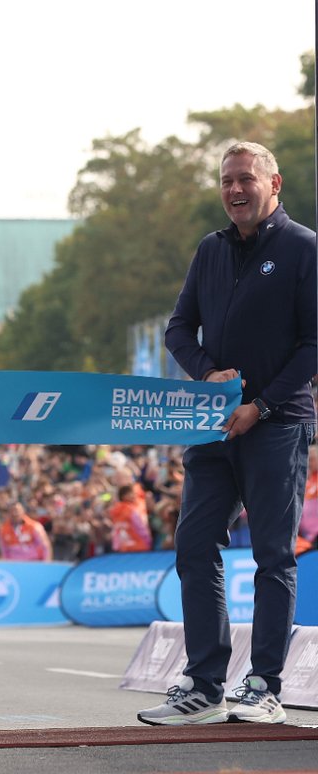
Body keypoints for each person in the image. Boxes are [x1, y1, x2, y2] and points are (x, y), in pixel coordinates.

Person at [139, 142, 317, 727]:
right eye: (226, 182)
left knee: (271, 555)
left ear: (274, 183)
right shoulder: (210, 250)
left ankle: (264, 684)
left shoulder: (303, 248)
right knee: (193, 545)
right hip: (212, 425)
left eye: (245, 179)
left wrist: (260, 405)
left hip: (277, 423)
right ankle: (203, 683)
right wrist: (208, 375)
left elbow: (314, 344)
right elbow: (177, 328)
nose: (235, 190)